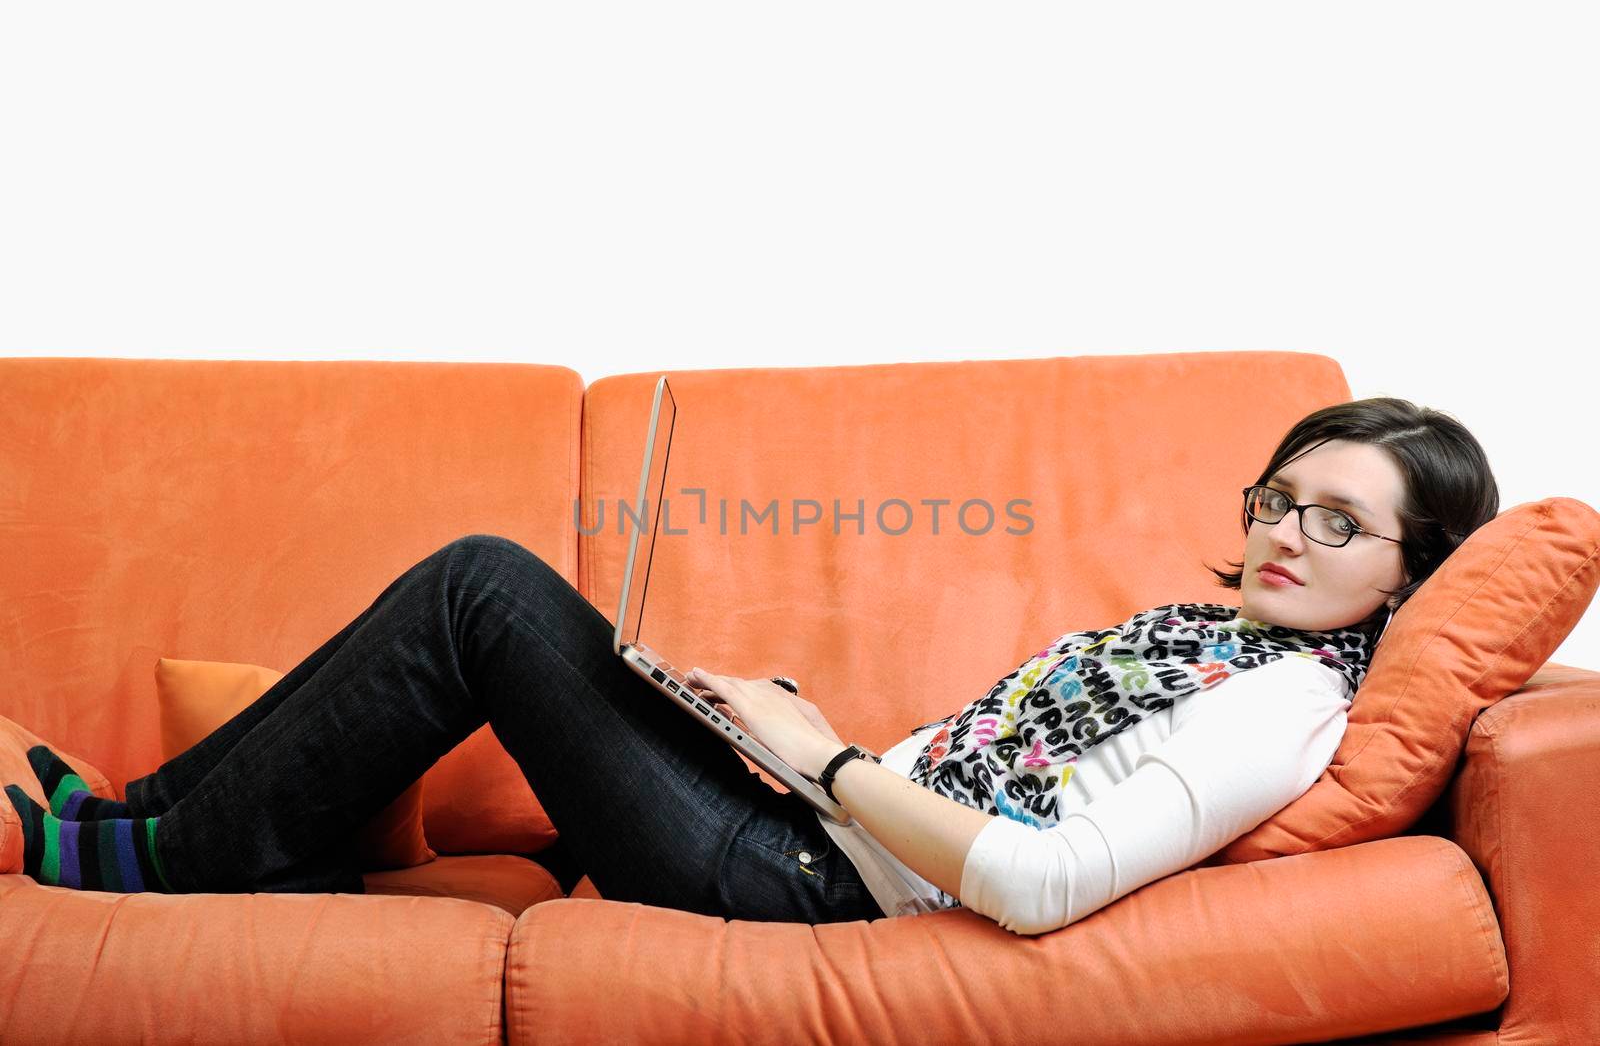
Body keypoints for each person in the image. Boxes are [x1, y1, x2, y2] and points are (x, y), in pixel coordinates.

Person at [5, 395, 1498, 936]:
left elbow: (1047, 884)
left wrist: (824, 763)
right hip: (805, 817)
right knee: (489, 592)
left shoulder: (1287, 705)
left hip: (809, 882)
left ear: (1413, 573)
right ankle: (147, 810)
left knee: (482, 590)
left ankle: (155, 856)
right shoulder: (1205, 637)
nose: (1287, 535)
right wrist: (785, 731)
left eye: (1340, 523)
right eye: (1277, 499)